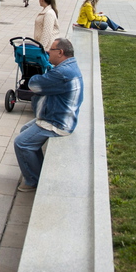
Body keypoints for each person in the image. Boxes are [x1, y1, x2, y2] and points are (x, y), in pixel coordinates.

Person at [13, 38, 84, 192]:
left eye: (50, 50)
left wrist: (37, 77)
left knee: (21, 142)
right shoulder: (68, 66)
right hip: (58, 116)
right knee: (25, 131)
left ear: (60, 52)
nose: (47, 52)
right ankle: (37, 170)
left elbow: (34, 84)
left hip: (58, 122)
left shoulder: (62, 73)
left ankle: (33, 181)